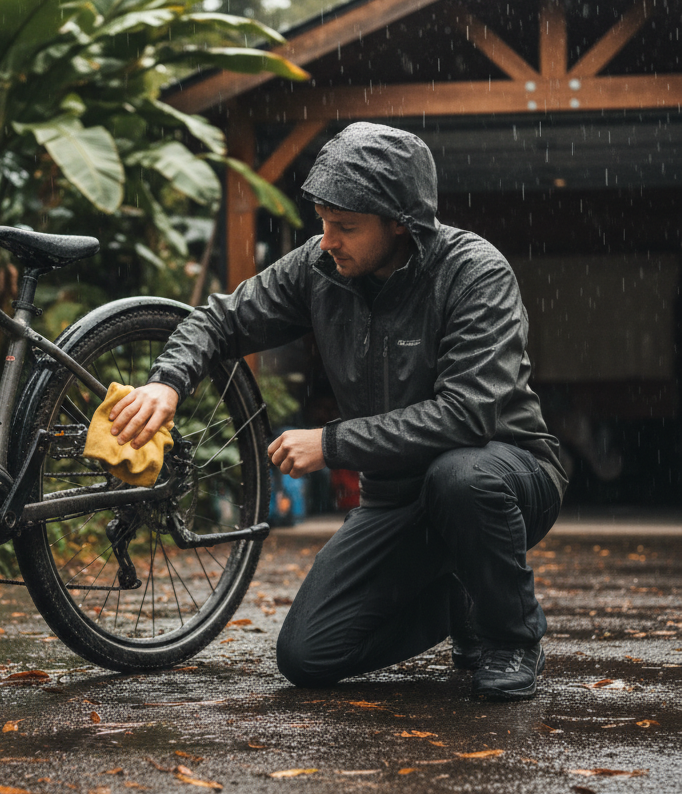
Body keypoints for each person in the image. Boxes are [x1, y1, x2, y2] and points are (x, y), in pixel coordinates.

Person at [108, 122, 567, 701]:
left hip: (506, 475)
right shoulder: (319, 266)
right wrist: (167, 383)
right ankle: (465, 598)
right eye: (323, 222)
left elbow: (466, 415)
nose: (327, 240)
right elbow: (220, 319)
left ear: (401, 222)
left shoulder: (474, 272)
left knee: (460, 478)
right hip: (396, 498)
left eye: (345, 227)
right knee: (308, 655)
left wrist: (330, 444)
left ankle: (510, 639)